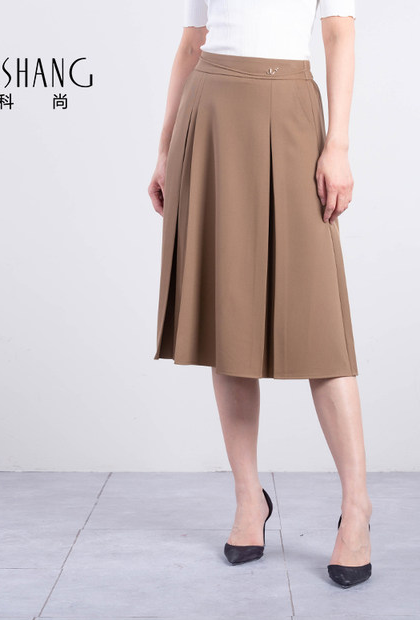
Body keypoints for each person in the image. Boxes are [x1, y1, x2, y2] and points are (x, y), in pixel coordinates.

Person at [147, 0, 372, 588]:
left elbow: (339, 35)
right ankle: (249, 499)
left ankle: (357, 506)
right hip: (211, 111)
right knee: (230, 319)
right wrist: (165, 148)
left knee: (320, 326)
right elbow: (192, 41)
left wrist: (338, 145)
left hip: (290, 109)